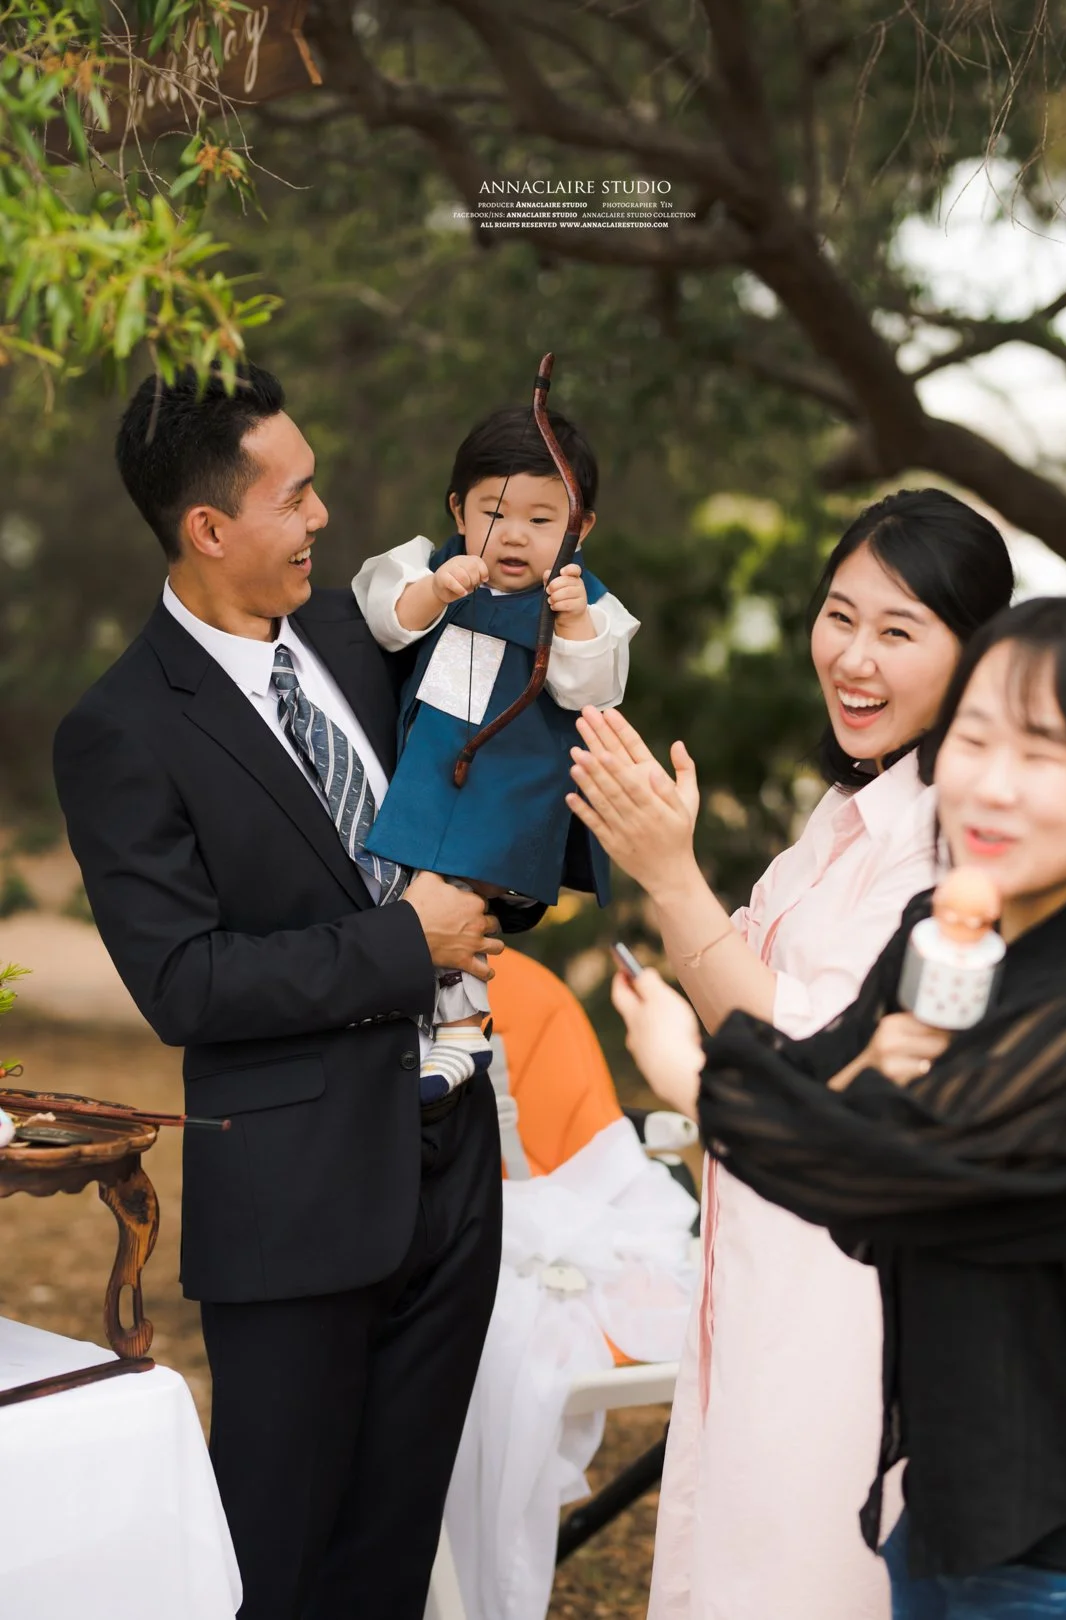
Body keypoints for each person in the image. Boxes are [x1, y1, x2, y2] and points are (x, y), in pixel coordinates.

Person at [52, 365, 541, 1620]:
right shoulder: (120, 729)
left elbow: (462, 792)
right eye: (299, 493)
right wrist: (406, 941)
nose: (325, 517)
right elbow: (183, 981)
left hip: (450, 1150)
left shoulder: (350, 636)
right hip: (296, 1194)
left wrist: (501, 889)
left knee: (391, 1545)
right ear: (209, 528)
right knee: (273, 1551)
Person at [566, 489, 1015, 1620]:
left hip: (850, 1287)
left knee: (809, 1562)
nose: (854, 658)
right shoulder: (844, 812)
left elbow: (816, 1063)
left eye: (900, 631)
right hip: (764, 1258)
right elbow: (757, 1008)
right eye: (839, 615)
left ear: (976, 660)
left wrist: (673, 878)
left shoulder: (949, 851)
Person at [353, 404, 638, 1099]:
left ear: (581, 527)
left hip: (513, 779)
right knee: (406, 888)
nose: (514, 536)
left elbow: (592, 689)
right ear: (458, 509)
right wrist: (432, 592)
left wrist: (571, 622)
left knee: (465, 892)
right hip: (431, 764)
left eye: (543, 521)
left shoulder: (590, 605)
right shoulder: (427, 565)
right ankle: (421, 1022)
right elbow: (383, 622)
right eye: (494, 513)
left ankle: (462, 1024)